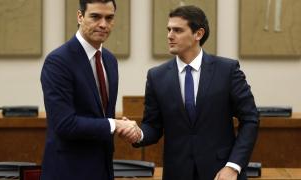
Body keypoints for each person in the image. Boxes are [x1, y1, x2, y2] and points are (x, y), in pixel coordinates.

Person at [130, 5, 259, 180]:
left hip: (222, 172)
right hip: (177, 172)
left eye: (177, 30)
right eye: (168, 29)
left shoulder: (227, 70)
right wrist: (137, 134)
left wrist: (233, 166)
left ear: (198, 34)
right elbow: (153, 126)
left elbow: (250, 118)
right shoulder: (156, 76)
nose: (169, 35)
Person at [40, 0, 139, 179]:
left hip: (103, 169)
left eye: (109, 18)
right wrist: (115, 124)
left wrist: (122, 126)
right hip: (68, 172)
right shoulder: (58, 61)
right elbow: (64, 124)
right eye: (95, 17)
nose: (103, 24)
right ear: (80, 16)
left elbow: (101, 115)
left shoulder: (110, 60)